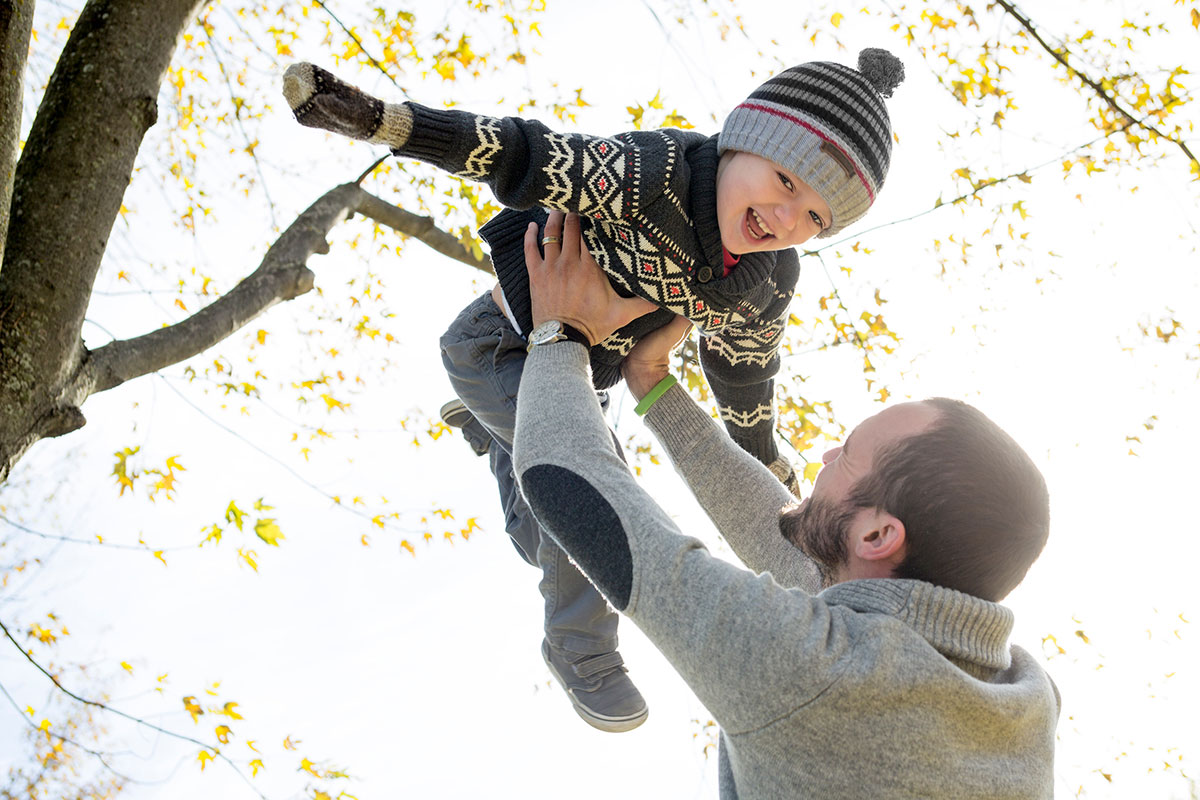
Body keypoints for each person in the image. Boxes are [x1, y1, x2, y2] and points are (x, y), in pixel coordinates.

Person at [282, 51, 906, 732]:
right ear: (741, 141)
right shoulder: (653, 173)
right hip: (498, 341)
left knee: (543, 527)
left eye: (815, 218)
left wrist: (764, 458)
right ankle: (580, 648)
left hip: (578, 376)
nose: (786, 217)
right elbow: (528, 155)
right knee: (591, 481)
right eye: (785, 180)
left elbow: (745, 370)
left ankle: (495, 436)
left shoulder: (764, 280)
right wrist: (384, 123)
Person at [513, 210, 1060, 798]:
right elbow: (808, 562)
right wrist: (656, 388)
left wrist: (559, 331)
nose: (824, 455)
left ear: (879, 536)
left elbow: (565, 479)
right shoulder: (1023, 692)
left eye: (847, 455)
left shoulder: (823, 674)